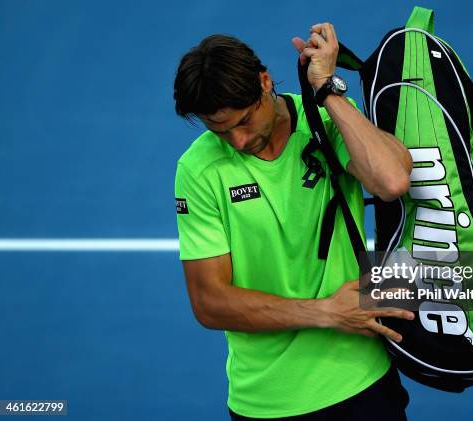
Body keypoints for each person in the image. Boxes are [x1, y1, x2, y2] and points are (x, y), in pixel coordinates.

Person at [173, 23, 414, 420]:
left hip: (363, 382)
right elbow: (209, 302)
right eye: (220, 131)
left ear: (264, 81)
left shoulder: (323, 119)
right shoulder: (198, 171)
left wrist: (327, 90)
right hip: (267, 402)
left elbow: (391, 181)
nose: (237, 142)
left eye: (244, 121)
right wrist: (326, 312)